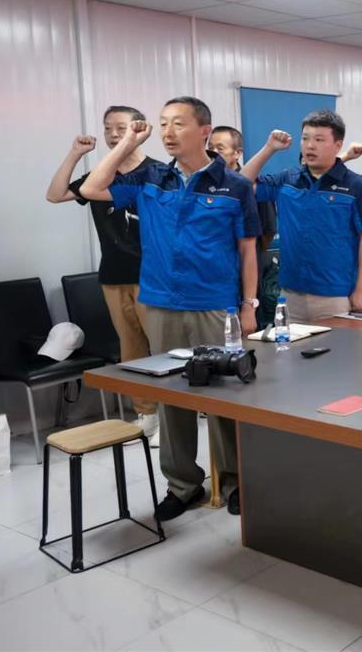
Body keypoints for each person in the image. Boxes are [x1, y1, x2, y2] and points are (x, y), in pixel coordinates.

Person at [79, 96, 258, 520]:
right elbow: (91, 188)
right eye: (162, 124)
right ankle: (183, 485)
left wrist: (249, 305)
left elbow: (247, 250)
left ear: (204, 131)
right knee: (172, 395)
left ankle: (235, 479)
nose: (167, 132)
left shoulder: (234, 185)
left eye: (178, 123)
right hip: (161, 303)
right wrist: (127, 143)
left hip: (214, 303)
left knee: (224, 395)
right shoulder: (150, 178)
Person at [45, 105, 160, 443]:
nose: (112, 134)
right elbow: (54, 195)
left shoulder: (157, 171)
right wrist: (75, 153)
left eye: (120, 127)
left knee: (161, 346)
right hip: (113, 273)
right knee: (131, 346)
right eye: (108, 128)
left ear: (139, 128)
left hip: (152, 274)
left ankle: (174, 414)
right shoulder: (101, 174)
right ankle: (147, 414)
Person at [239, 110, 362, 322]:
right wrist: (269, 148)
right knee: (288, 344)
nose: (310, 146)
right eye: (305, 138)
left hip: (334, 295)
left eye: (319, 140)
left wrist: (361, 288)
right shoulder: (288, 179)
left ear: (338, 145)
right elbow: (242, 184)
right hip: (290, 294)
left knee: (339, 345)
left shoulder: (356, 185)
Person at [211, 125, 278, 326]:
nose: (213, 153)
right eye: (210, 147)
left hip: (247, 271)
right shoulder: (205, 184)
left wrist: (249, 253)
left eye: (220, 148)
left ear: (237, 153)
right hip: (216, 275)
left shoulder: (251, 186)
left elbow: (268, 232)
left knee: (247, 329)